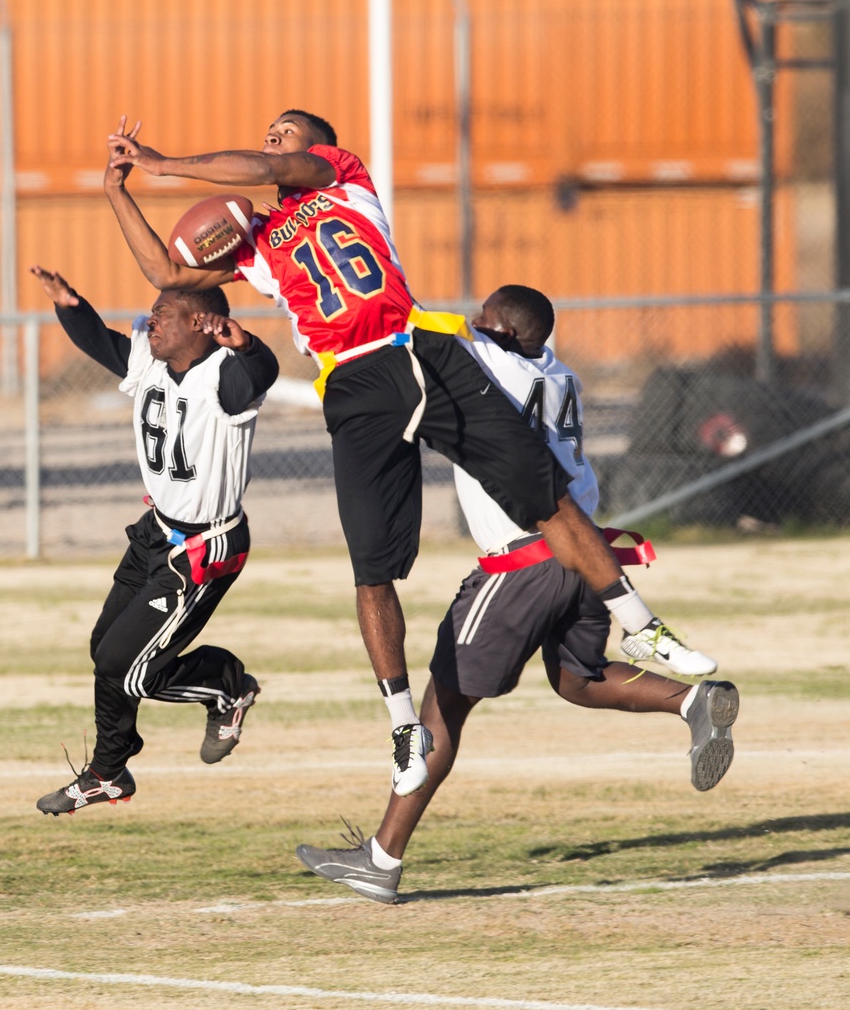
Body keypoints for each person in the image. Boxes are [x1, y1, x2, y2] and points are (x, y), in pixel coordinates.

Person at [102, 110, 716, 798]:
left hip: (418, 349)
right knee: (371, 570)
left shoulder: (344, 175)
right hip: (353, 380)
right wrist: (119, 190)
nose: (273, 138)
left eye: (285, 130)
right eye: (268, 130)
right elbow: (165, 268)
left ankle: (640, 626)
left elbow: (270, 169)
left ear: (318, 145)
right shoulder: (260, 241)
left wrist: (166, 162)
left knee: (543, 494)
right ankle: (403, 728)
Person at [294, 284, 739, 903]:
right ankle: (692, 701)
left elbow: (413, 329)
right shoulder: (563, 375)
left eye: (481, 320)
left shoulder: (485, 362)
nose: (470, 326)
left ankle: (381, 859)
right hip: (587, 553)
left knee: (442, 709)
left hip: (520, 561)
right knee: (576, 679)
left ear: (499, 331)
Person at [30, 265, 279, 815]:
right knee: (105, 652)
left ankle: (225, 684)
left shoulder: (224, 377)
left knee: (133, 669)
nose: (149, 321)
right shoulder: (150, 361)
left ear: (200, 323)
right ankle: (109, 772)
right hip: (155, 533)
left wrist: (249, 344)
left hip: (205, 544)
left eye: (162, 314)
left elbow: (260, 374)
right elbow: (102, 342)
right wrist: (70, 304)